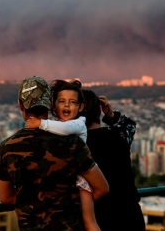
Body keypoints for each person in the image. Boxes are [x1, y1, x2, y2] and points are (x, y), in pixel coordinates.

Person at [0, 76, 109, 231]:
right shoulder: (72, 143)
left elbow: (6, 197)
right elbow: (102, 187)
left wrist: (36, 205)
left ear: (20, 105)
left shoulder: (7, 147)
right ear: (50, 104)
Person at [25, 79, 101, 231]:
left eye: (72, 102)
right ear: (53, 105)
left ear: (81, 107)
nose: (66, 105)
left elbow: (65, 129)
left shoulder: (79, 123)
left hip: (82, 179)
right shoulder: (57, 125)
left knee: (90, 222)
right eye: (62, 101)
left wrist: (40, 124)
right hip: (65, 180)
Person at [82, 89, 145, 231]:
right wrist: (110, 114)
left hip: (98, 219)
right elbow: (130, 125)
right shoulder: (119, 136)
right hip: (130, 217)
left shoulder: (75, 145)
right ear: (99, 109)